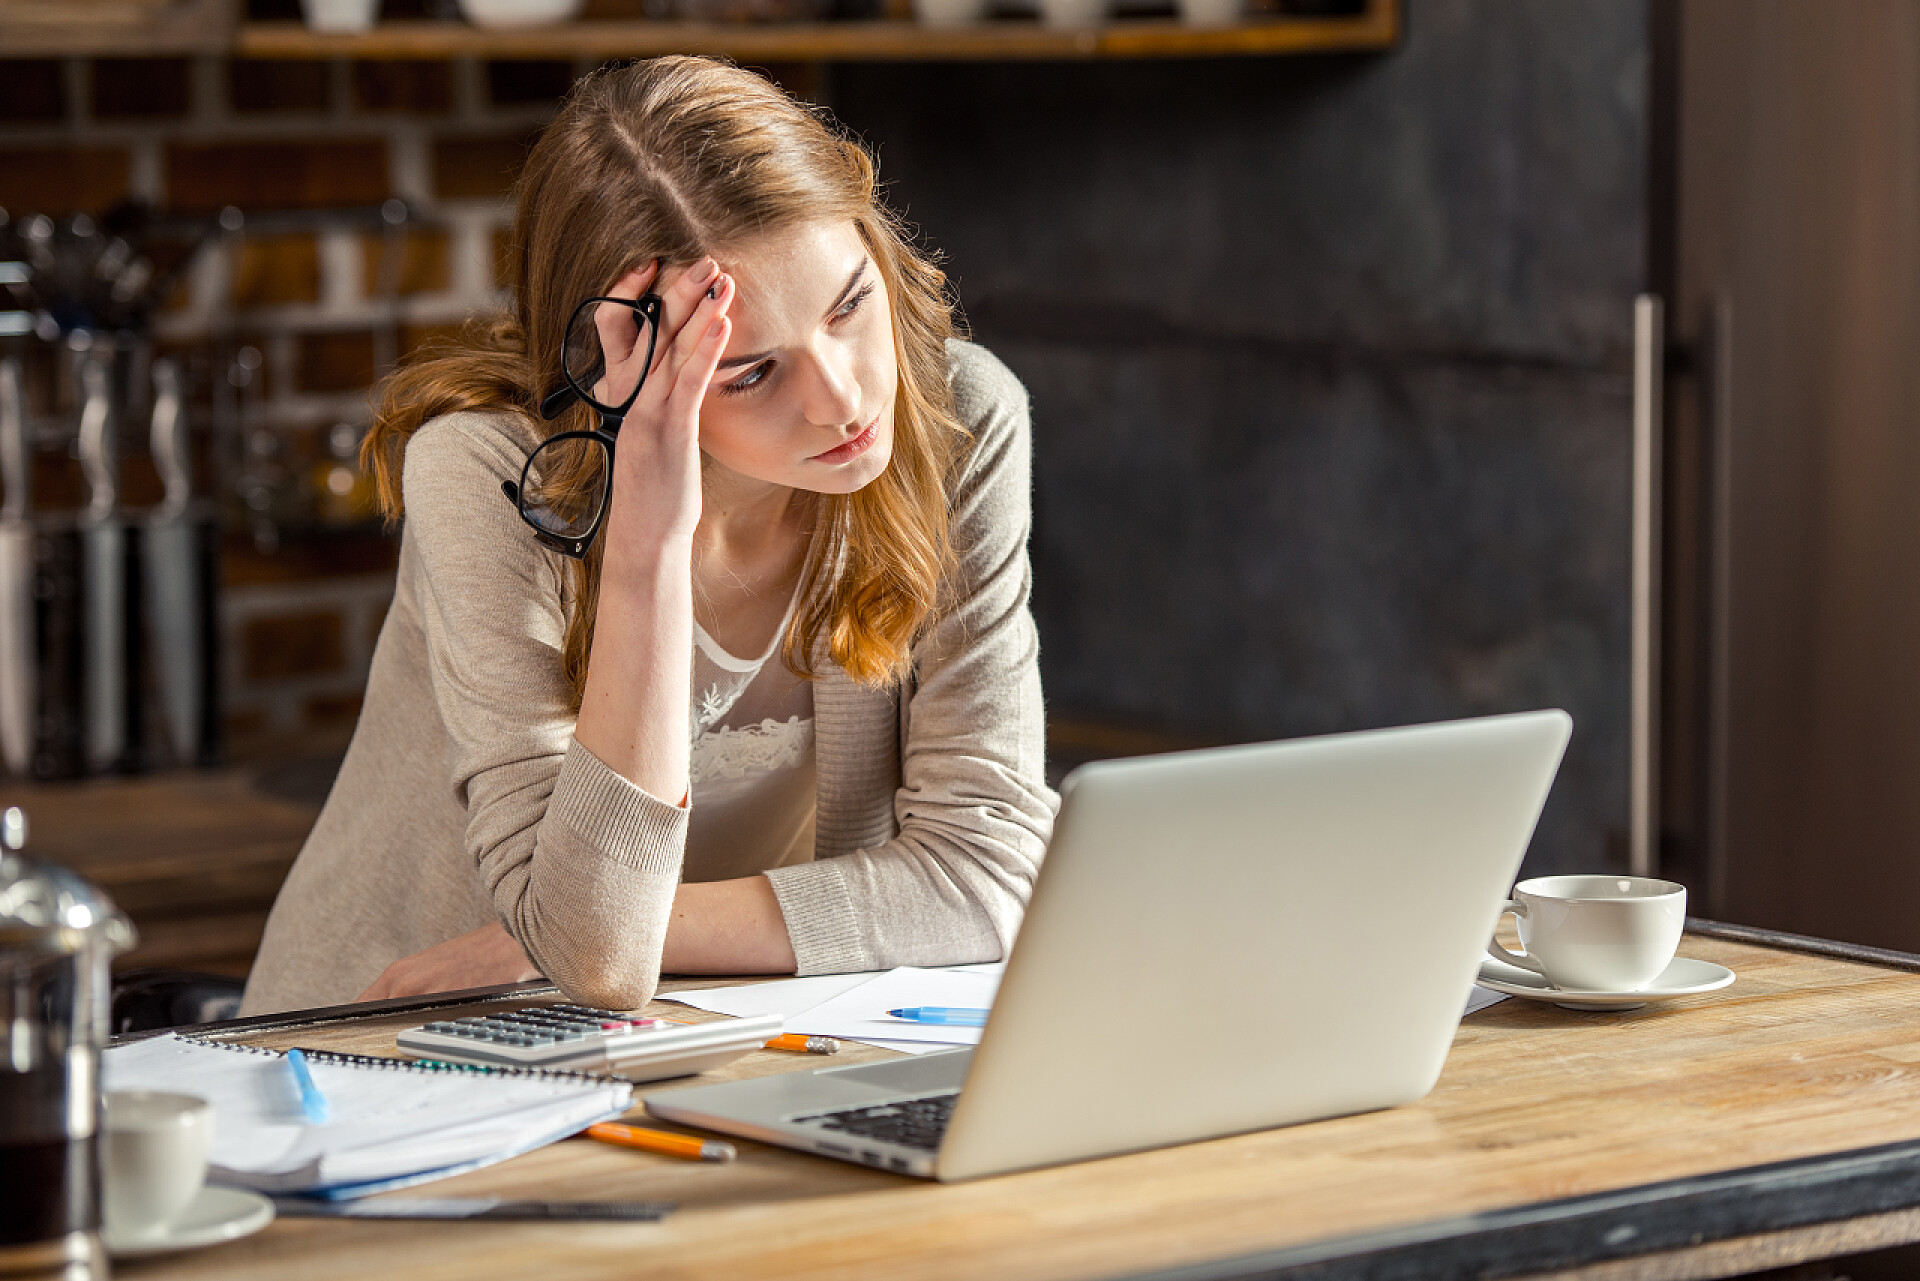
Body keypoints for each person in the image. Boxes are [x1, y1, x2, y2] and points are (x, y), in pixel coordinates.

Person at [239, 56, 1057, 1016]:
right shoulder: (483, 475)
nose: (843, 400)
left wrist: (573, 940)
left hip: (695, 1025)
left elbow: (985, 874)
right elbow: (596, 958)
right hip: (391, 1041)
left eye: (849, 305)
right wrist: (648, 545)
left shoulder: (956, 423)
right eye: (750, 372)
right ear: (611, 368)